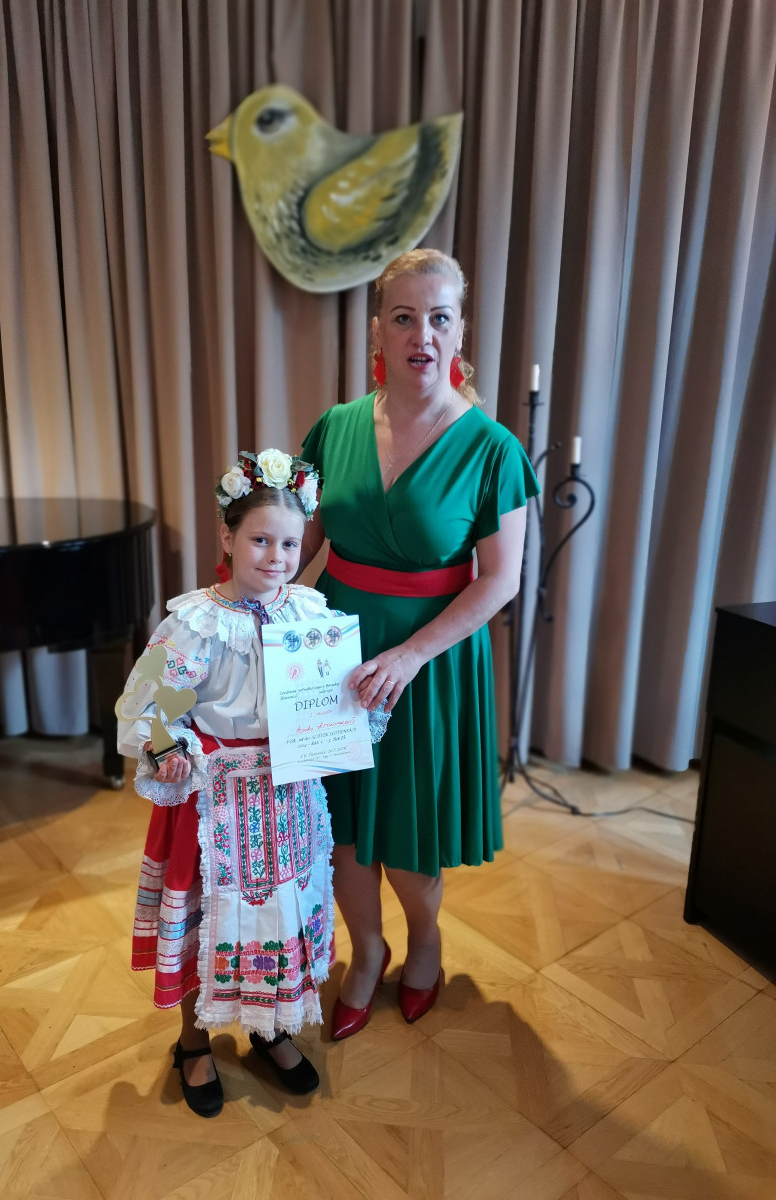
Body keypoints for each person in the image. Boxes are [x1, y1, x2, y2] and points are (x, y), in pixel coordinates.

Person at [299, 248, 539, 1039]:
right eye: (404, 317)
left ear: (460, 330)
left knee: (407, 838)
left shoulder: (493, 449)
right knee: (340, 830)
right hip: (336, 659)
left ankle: (425, 939)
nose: (421, 335)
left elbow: (499, 581)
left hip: (430, 664)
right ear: (379, 329)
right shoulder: (333, 428)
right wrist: (243, 607)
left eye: (439, 318)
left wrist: (408, 657)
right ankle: (366, 952)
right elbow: (304, 547)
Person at [117, 449, 335, 1118]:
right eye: (261, 540)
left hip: (286, 801)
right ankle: (193, 1040)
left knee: (280, 915)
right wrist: (168, 747)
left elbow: (326, 699)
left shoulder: (308, 614)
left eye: (290, 543)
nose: (276, 557)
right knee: (204, 920)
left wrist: (354, 700)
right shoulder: (199, 624)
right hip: (214, 803)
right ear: (228, 537)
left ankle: (269, 1025)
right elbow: (149, 707)